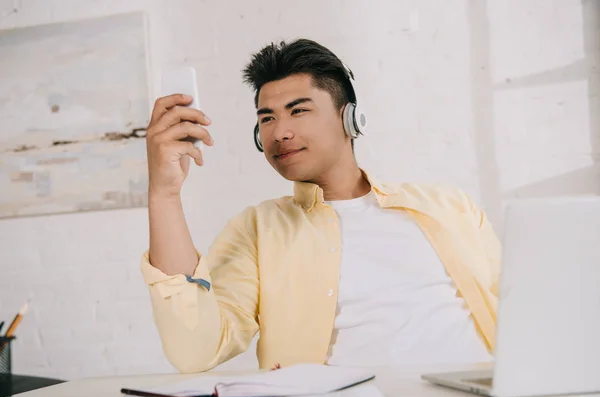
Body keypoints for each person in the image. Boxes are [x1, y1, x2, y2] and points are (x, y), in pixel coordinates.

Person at [141, 38, 501, 373]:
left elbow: (519, 309)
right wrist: (164, 194)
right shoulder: (257, 230)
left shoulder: (450, 206)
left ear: (350, 118)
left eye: (298, 111)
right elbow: (196, 350)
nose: (279, 132)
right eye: (267, 118)